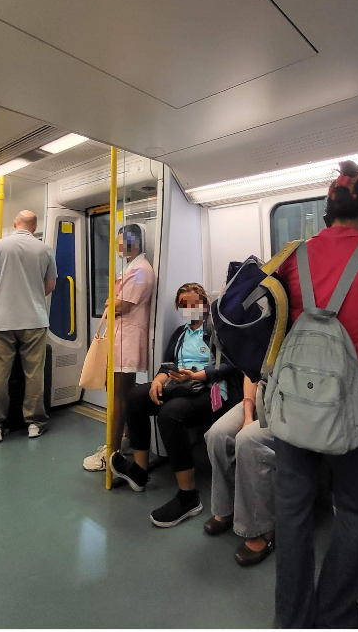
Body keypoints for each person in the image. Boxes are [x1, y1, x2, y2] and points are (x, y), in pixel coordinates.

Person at [272, 160, 358, 629]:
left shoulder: (294, 255)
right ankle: (334, 612)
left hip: (292, 403)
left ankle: (292, 619)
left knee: (293, 512)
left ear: (328, 210)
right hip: (351, 405)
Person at [109, 283, 240, 528]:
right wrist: (158, 381)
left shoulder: (217, 330)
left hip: (211, 391)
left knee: (170, 414)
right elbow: (167, 365)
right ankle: (139, 471)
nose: (189, 308)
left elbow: (231, 366)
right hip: (181, 385)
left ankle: (189, 497)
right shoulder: (180, 333)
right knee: (136, 396)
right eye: (183, 305)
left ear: (205, 304)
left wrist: (197, 375)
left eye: (194, 303)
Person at [0, 210, 57, 443]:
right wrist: (33, 297)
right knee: (34, 374)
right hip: (35, 320)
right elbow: (50, 284)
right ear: (35, 226)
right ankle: (35, 424)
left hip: (3, 320)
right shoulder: (45, 249)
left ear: (15, 223)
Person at [83, 224, 156, 471]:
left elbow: (121, 305)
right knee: (122, 394)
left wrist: (111, 302)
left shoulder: (140, 271)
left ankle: (111, 451)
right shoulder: (133, 268)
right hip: (123, 338)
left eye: (123, 241)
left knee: (118, 396)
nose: (120, 246)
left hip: (127, 340)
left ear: (135, 242)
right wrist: (112, 302)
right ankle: (123, 441)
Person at [204, 372, 277, 566]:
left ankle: (262, 528)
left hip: (288, 405)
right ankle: (226, 508)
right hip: (261, 395)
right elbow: (251, 375)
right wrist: (247, 416)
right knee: (218, 434)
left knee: (248, 441)